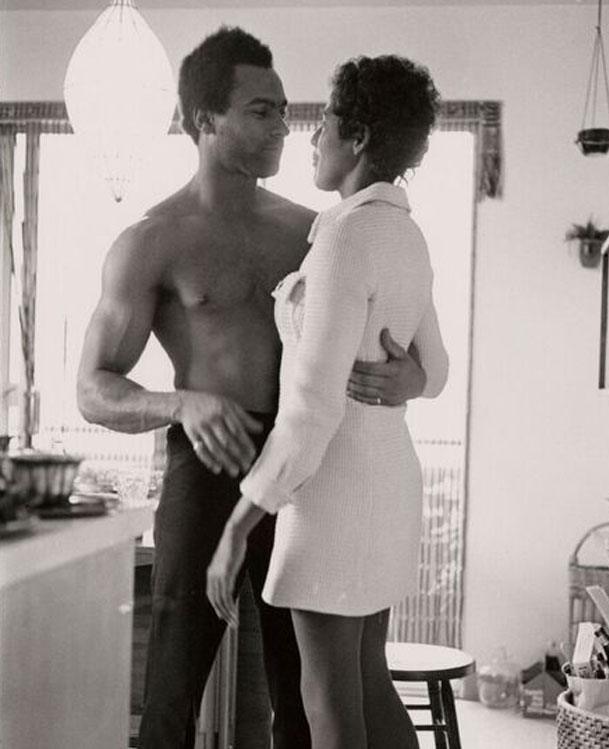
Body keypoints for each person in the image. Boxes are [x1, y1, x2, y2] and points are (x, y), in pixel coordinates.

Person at [76, 26, 427, 749]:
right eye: (261, 110)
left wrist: (411, 376)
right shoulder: (151, 240)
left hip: (310, 474)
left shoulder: (318, 231)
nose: (284, 123)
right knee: (170, 696)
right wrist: (181, 402)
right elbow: (91, 388)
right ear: (205, 121)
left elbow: (413, 345)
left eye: (286, 109)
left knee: (305, 699)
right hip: (204, 470)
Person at [207, 54, 449, 749]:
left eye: (326, 122)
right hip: (389, 486)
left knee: (329, 703)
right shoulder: (405, 232)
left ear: (361, 136)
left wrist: (235, 529)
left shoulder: (346, 235)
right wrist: (407, 382)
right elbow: (437, 369)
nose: (311, 137)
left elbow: (311, 411)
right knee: (369, 687)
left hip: (336, 497)